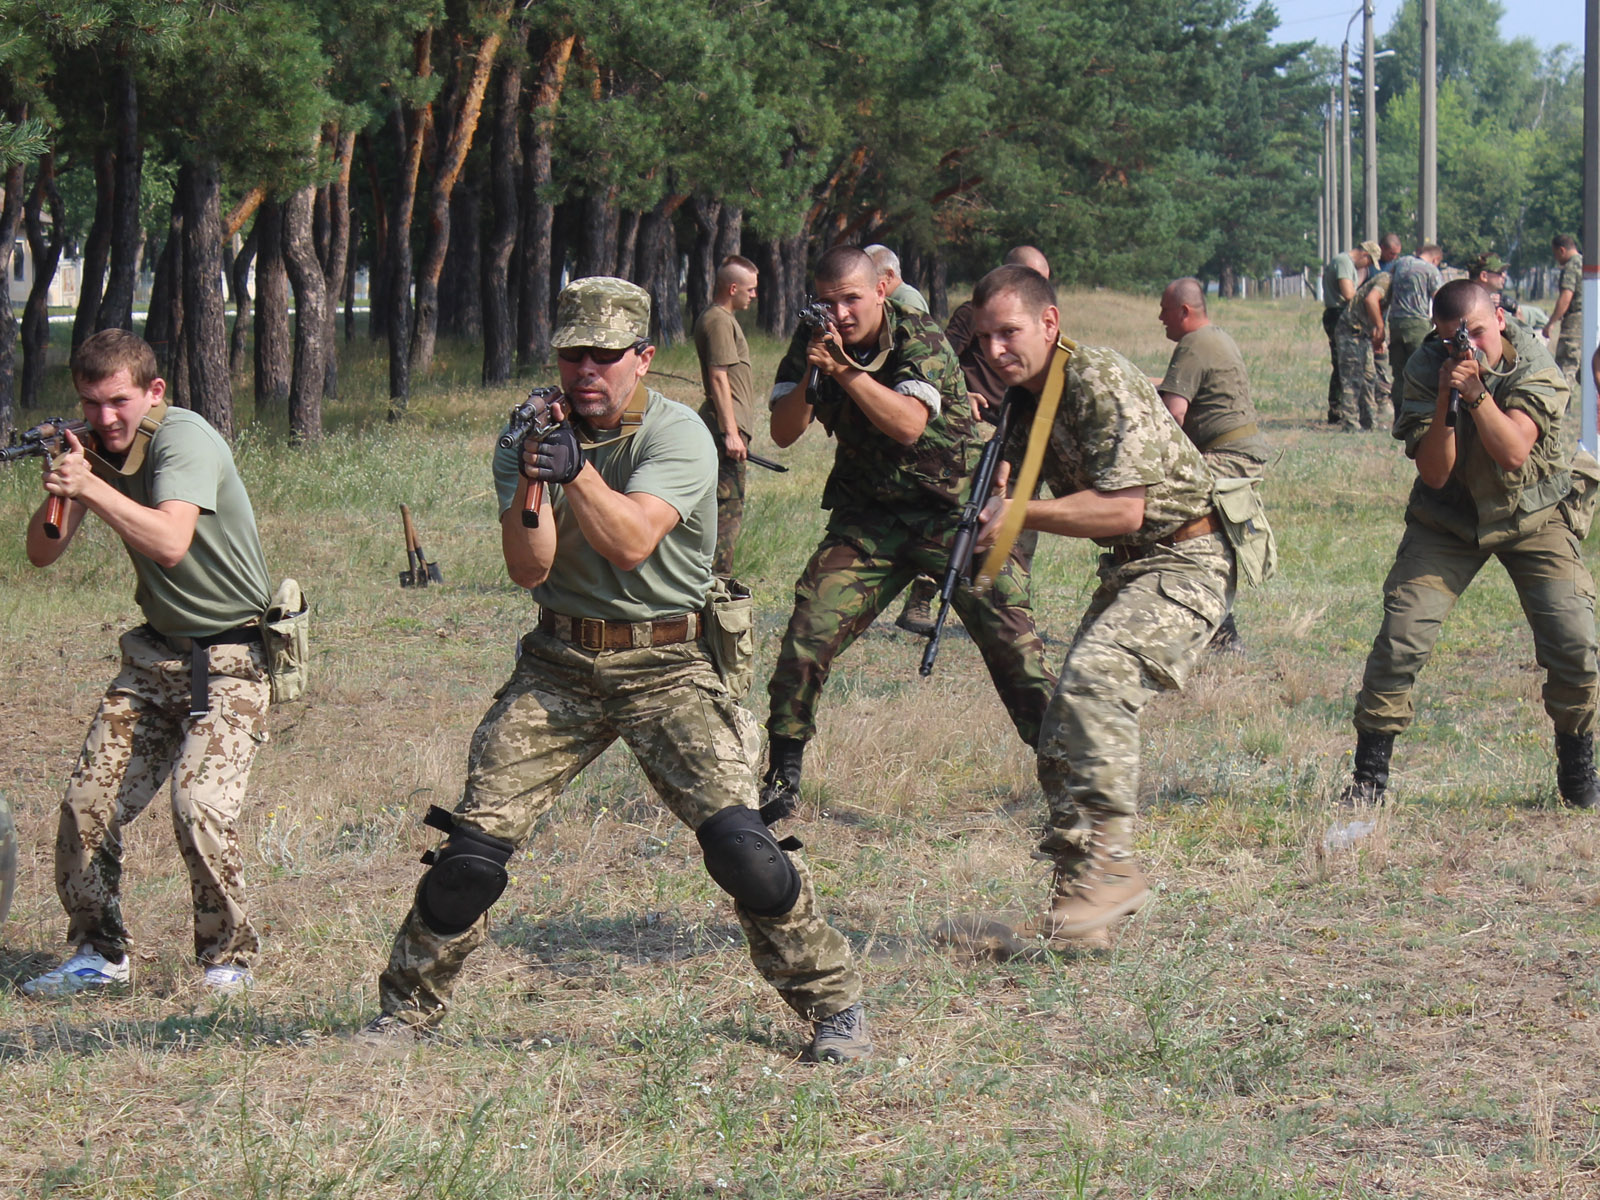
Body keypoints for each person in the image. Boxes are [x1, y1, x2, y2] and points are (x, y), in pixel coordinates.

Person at [364, 277, 870, 1063]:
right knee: (471, 857)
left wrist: (580, 473)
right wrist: (536, 474)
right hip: (560, 661)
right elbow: (528, 569)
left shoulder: (679, 435)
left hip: (666, 661)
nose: (585, 372)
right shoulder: (529, 434)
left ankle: (833, 1005)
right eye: (572, 356)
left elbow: (633, 541)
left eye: (604, 356)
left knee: (746, 852)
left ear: (643, 357)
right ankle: (404, 1013)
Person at [970, 265, 1236, 944]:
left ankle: (1113, 868)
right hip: (1134, 568)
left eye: (1011, 332)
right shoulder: (1024, 398)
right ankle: (1076, 907)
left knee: (1096, 680)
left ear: (1049, 323)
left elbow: (1124, 509)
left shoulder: (1094, 378)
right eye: (986, 338)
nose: (997, 350)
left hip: (1189, 556)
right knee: (1061, 731)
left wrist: (1018, 512)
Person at [21, 329, 274, 997]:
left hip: (232, 658)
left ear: (153, 393)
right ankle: (99, 953)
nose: (106, 419)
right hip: (153, 657)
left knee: (198, 806)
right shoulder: (94, 452)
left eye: (119, 402)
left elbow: (168, 540)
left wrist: (93, 486)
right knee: (85, 805)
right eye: (90, 403)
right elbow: (41, 555)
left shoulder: (181, 439)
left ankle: (229, 958)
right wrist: (65, 480)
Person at [760, 245, 1055, 814]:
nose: (841, 313)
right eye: (827, 302)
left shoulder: (918, 334)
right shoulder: (816, 339)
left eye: (851, 299)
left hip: (953, 512)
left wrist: (844, 371)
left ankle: (1069, 775)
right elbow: (783, 431)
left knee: (1014, 646)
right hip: (869, 516)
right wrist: (812, 377)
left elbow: (908, 425)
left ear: (880, 291)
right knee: (807, 634)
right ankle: (783, 775)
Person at [1342, 280, 1600, 809]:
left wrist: (1478, 394)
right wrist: (1446, 399)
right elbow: (1435, 474)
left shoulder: (1535, 365)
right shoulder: (1425, 366)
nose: (1468, 346)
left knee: (1574, 640)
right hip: (1449, 518)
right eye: (1455, 337)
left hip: (1532, 512)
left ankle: (1578, 774)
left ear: (1500, 318)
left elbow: (1512, 453)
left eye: (1479, 332)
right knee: (1401, 637)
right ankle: (1369, 780)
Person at [894, 244, 1053, 636]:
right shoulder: (973, 314)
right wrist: (962, 394)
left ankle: (1007, 603)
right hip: (980, 429)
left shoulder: (1037, 322)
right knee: (965, 514)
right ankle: (923, 598)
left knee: (1020, 517)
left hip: (1020, 430)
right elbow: (941, 357)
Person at [1156, 276, 1267, 651]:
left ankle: (1217, 631)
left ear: (1184, 311)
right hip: (1239, 454)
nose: (1160, 318)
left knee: (1172, 527)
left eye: (1164, 310)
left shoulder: (1192, 344)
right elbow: (1175, 388)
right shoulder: (1214, 337)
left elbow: (1173, 414)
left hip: (1225, 459)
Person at [693, 254, 760, 575]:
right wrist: (731, 432)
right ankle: (715, 587)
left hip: (726, 429)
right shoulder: (719, 320)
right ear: (733, 288)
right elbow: (718, 376)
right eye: (750, 289)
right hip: (724, 433)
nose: (754, 295)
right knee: (726, 511)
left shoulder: (722, 318)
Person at [1322, 241, 1380, 423]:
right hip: (1339, 315)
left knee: (1343, 365)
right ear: (1364, 254)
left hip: (1340, 314)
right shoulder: (1344, 262)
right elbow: (1348, 294)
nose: (1368, 266)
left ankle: (1339, 409)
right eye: (1369, 262)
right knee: (1343, 365)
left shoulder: (1346, 263)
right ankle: (1337, 410)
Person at [1334, 263, 1394, 430]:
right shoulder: (1386, 279)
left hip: (1363, 334)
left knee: (1369, 378)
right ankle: (1350, 423)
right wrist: (1379, 328)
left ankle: (1369, 421)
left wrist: (1379, 337)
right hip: (1351, 331)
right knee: (1352, 378)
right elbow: (1371, 300)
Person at [1388, 244, 1444, 381]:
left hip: (1395, 322)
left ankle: (1398, 401)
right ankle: (1416, 400)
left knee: (1398, 370)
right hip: (1417, 323)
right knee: (1419, 367)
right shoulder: (1431, 270)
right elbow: (1438, 299)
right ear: (1436, 259)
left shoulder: (1401, 262)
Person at [1548, 235, 1585, 395]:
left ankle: (1560, 408)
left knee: (1566, 365)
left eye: (1556, 254)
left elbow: (1566, 297)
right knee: (1584, 367)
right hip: (1589, 318)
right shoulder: (1585, 262)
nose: (1556, 258)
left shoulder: (1571, 266)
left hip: (1575, 322)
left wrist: (1551, 322)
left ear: (1562, 250)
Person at [864, 244, 929, 314]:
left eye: (871, 277)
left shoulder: (908, 300)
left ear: (889, 275)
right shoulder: (889, 301)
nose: (865, 282)